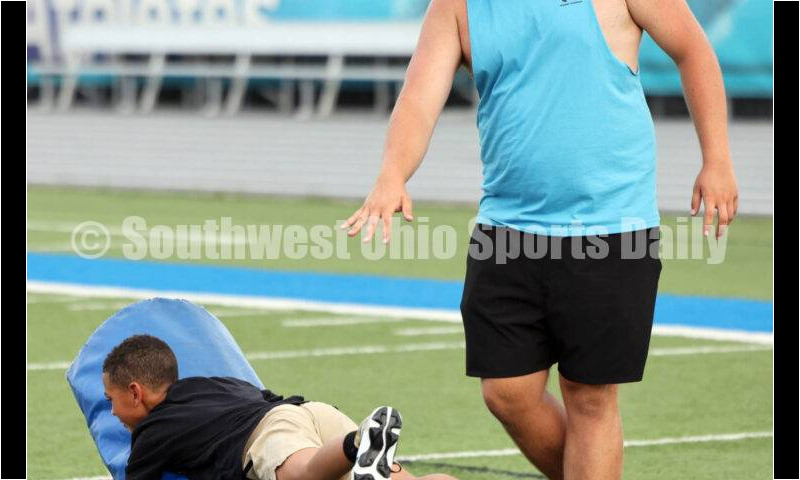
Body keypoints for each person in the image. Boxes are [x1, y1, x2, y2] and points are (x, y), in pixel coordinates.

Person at [341, 0, 739, 479]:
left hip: (612, 229)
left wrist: (716, 159)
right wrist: (392, 175)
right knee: (506, 392)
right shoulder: (455, 7)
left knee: (590, 397)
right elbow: (420, 97)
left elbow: (693, 50)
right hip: (505, 232)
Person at [102, 334, 458, 480]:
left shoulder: (153, 431)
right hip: (311, 411)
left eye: (111, 400)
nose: (113, 413)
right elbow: (259, 394)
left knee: (299, 476)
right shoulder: (213, 383)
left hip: (272, 433)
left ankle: (356, 444)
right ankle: (361, 446)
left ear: (135, 392)